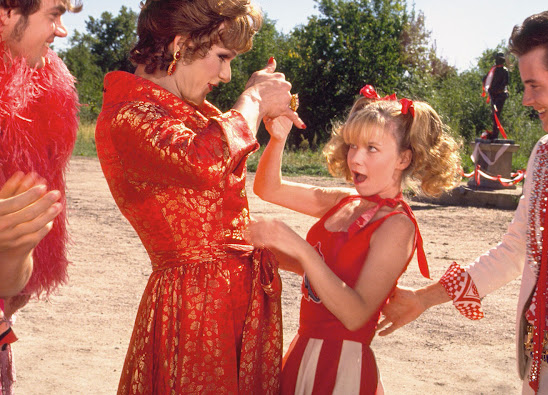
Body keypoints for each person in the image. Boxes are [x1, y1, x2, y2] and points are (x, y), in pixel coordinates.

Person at [378, 8, 548, 394]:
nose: (526, 98)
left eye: (534, 85)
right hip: (543, 368)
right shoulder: (545, 154)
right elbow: (514, 251)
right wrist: (423, 299)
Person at [94, 0, 304, 393]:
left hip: (232, 302)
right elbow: (202, 161)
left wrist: (319, 268)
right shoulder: (128, 114)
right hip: (194, 312)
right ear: (181, 44)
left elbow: (227, 217)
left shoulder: (186, 113)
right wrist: (254, 100)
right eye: (222, 57)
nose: (225, 75)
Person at [245, 85, 461, 394]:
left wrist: (301, 250)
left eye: (372, 148)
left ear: (403, 159)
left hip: (343, 368)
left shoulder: (397, 225)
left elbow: (356, 315)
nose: (355, 159)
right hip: (302, 351)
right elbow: (269, 189)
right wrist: (278, 139)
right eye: (352, 146)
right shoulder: (345, 200)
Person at [1, 0, 80, 392]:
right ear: (7, 11)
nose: (61, 30)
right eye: (54, 14)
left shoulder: (44, 85)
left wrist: (16, 269)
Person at [482, 52, 510, 140]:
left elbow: (505, 83)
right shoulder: (493, 70)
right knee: (494, 114)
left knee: (497, 113)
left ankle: (495, 134)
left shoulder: (504, 70)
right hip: (493, 95)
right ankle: (494, 133)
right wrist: (488, 88)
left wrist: (496, 89)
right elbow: (485, 79)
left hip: (500, 95)